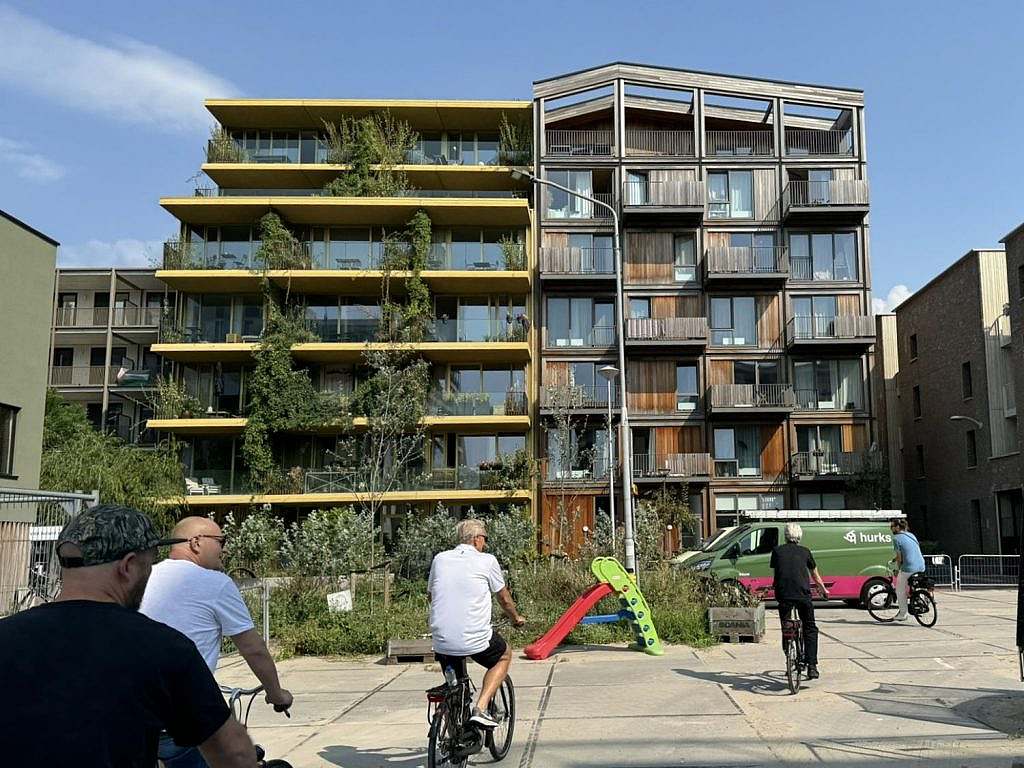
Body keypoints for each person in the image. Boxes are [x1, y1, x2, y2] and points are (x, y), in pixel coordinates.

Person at [0, 504, 257, 767]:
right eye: (150, 562)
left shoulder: (6, 636)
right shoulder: (163, 648)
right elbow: (235, 755)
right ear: (128, 566)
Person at [141, 516, 293, 767]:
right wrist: (277, 694)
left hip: (133, 716)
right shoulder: (216, 584)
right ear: (196, 542)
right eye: (221, 541)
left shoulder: (142, 577)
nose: (225, 548)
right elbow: (253, 649)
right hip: (183, 720)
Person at [428, 518, 527, 728]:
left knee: (455, 684)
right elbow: (504, 599)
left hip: (441, 639)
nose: (485, 545)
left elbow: (432, 596)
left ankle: (451, 723)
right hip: (475, 637)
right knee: (504, 655)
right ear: (476, 539)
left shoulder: (440, 559)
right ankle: (480, 709)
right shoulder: (487, 561)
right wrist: (516, 618)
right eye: (485, 539)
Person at [770, 522, 830, 680]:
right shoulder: (805, 552)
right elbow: (815, 576)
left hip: (784, 595)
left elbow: (778, 573)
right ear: (800, 536)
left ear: (785, 536)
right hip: (803, 595)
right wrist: (824, 590)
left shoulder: (777, 551)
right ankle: (812, 666)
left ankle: (789, 658)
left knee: (786, 626)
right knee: (810, 628)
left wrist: (774, 587)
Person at [890, 517, 926, 622]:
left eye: (892, 527)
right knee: (916, 584)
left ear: (897, 527)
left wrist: (898, 569)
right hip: (921, 565)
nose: (891, 529)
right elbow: (909, 551)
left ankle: (903, 613)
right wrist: (894, 559)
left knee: (899, 589)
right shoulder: (911, 535)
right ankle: (921, 599)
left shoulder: (896, 538)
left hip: (909, 567)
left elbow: (900, 558)